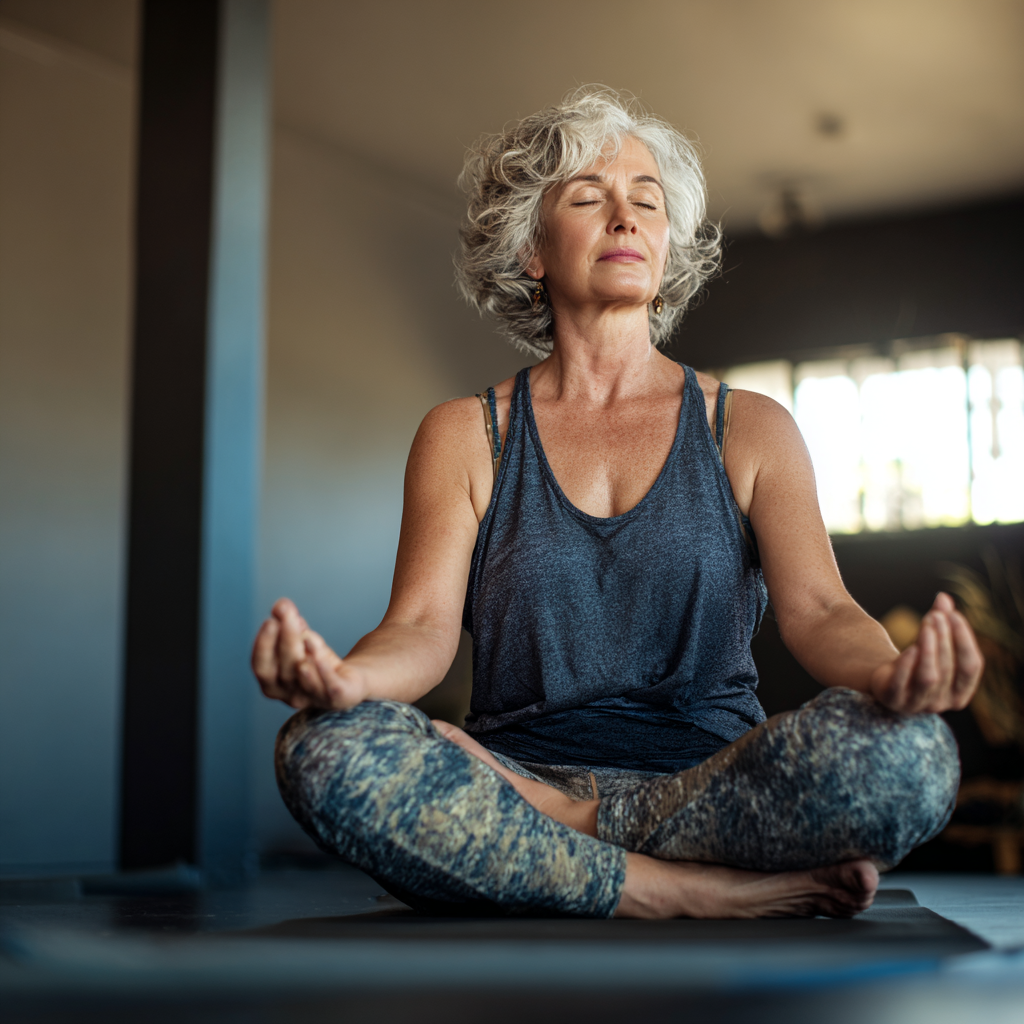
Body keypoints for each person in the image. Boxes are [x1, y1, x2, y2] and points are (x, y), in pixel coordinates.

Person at [252, 88, 982, 919]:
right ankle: (673, 890)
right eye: (590, 198)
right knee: (320, 746)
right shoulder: (464, 435)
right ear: (531, 248)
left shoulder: (750, 428)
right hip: (518, 773)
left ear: (668, 245)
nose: (626, 218)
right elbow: (420, 628)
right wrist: (347, 681)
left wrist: (895, 675)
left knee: (915, 755)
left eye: (647, 201)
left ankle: (570, 841)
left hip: (711, 784)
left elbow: (819, 611)